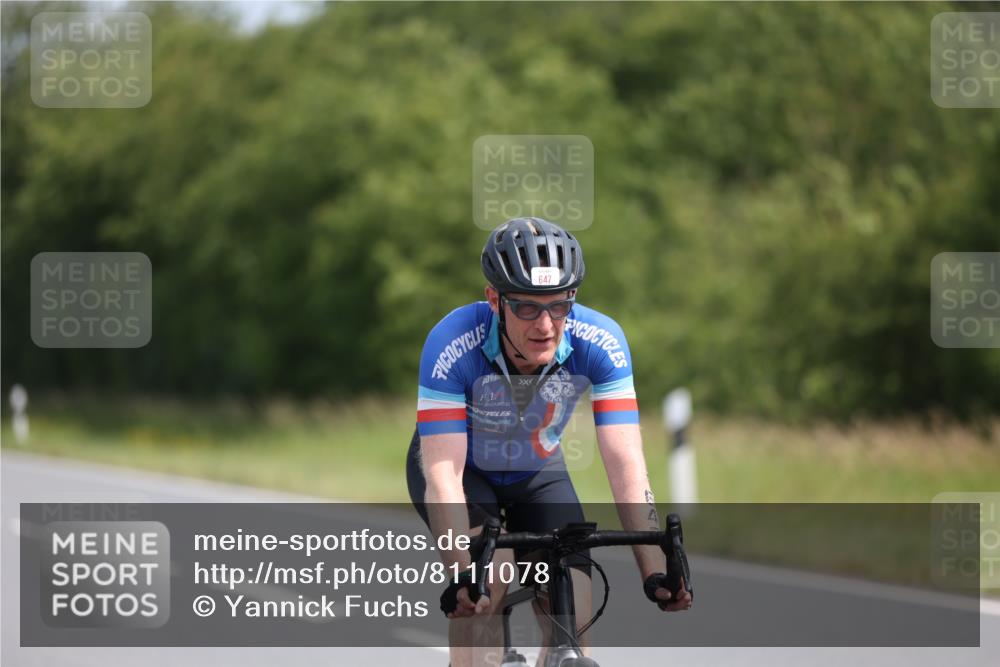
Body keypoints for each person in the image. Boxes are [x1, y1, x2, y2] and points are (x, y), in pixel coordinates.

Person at [406, 217, 692, 667]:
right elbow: (443, 476)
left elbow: (626, 463)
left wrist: (654, 568)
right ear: (494, 300)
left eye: (560, 306)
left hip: (537, 468)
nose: (545, 324)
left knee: (575, 611)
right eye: (526, 308)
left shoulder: (601, 341)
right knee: (488, 583)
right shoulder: (451, 342)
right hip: (464, 474)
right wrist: (464, 572)